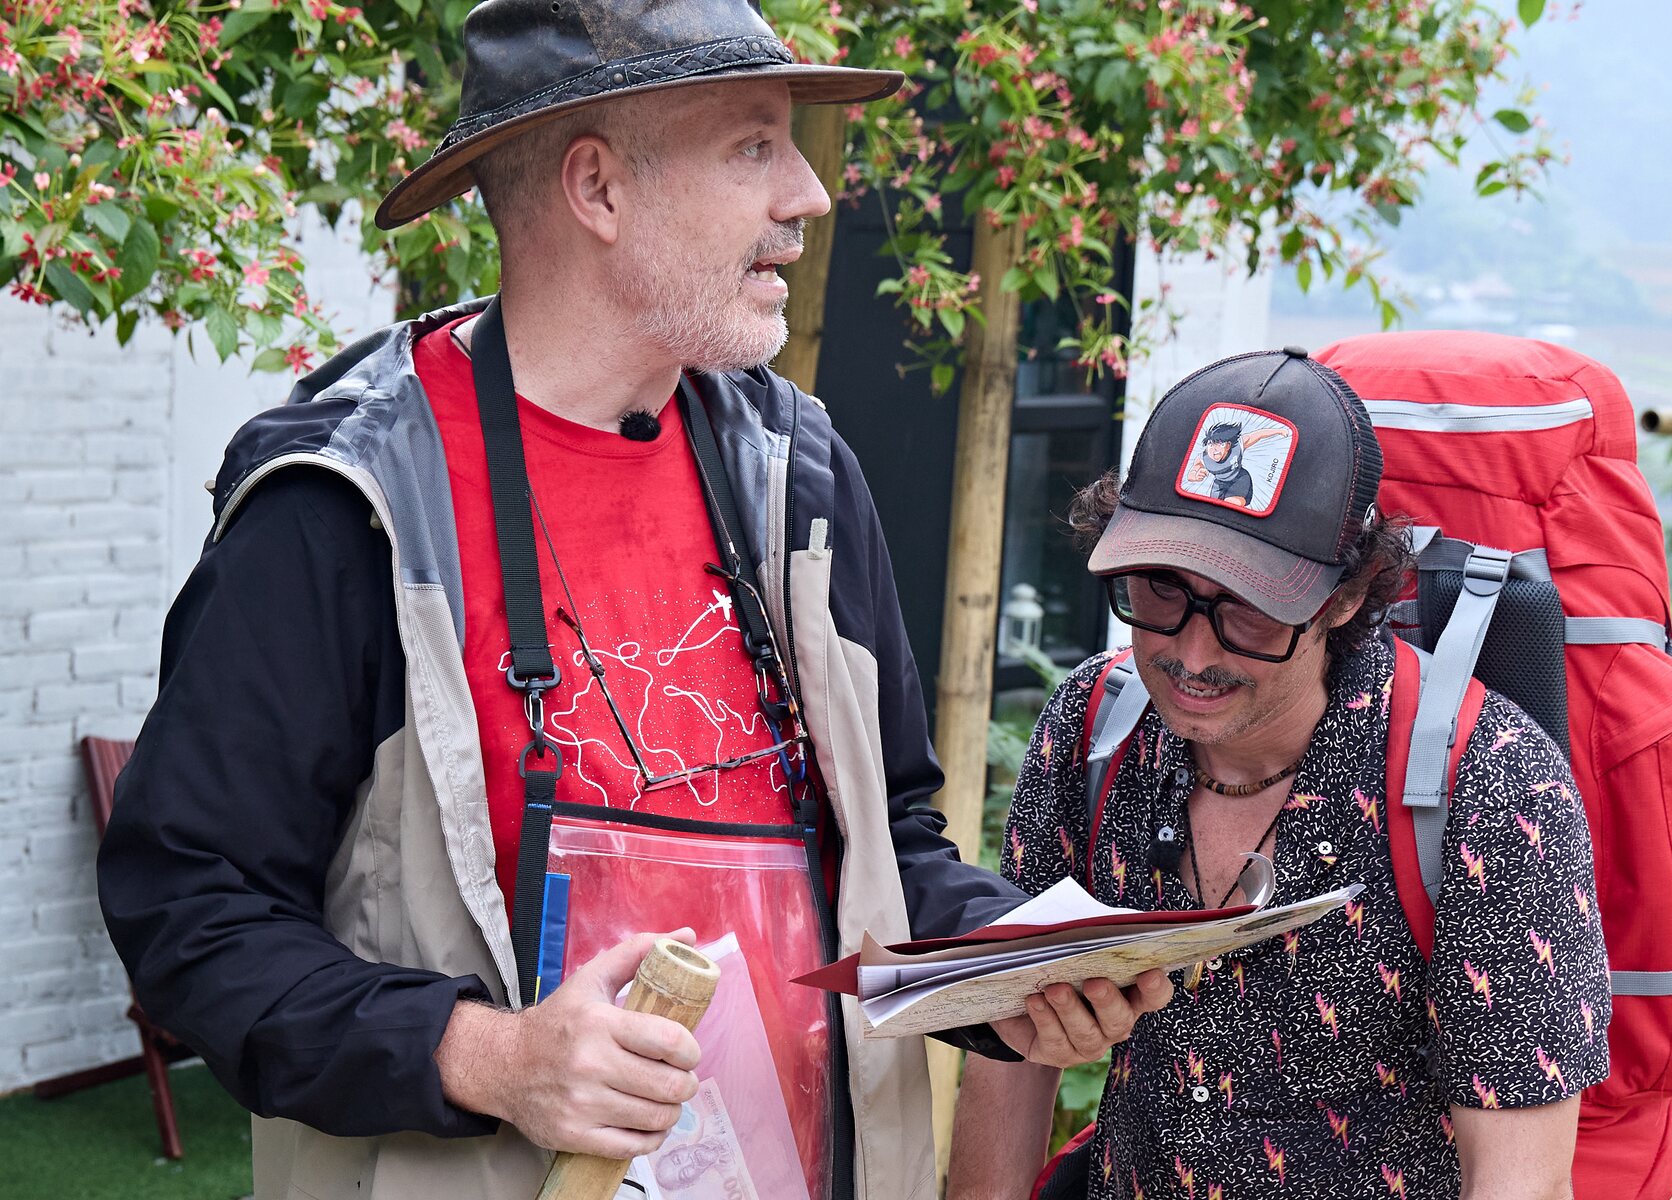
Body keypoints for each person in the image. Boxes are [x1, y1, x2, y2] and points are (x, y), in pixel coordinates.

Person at [96, 2, 1169, 1198]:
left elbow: (888, 849)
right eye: (754, 146)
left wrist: (1014, 971)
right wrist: (490, 1056)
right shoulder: (344, 502)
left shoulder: (800, 472)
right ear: (597, 189)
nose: (809, 196)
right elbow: (192, 911)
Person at [948, 349, 1612, 1200]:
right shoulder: (1092, 729)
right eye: (1159, 589)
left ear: (1345, 597)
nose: (1191, 654)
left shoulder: (1491, 789)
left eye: (1248, 611)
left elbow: (1519, 1180)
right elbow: (1015, 1049)